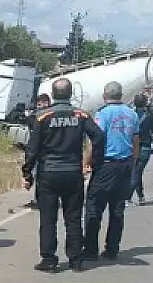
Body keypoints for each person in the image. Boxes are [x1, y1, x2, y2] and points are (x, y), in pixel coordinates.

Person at [21, 78, 106, 272]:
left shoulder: (42, 116)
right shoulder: (81, 115)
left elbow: (32, 149)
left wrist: (27, 173)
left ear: (53, 94)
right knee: (73, 217)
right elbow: (99, 136)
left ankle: (49, 259)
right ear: (70, 94)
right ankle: (76, 259)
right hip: (72, 173)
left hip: (48, 173)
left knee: (48, 219)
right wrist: (93, 161)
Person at [83, 82, 140, 261]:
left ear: (104, 95)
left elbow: (96, 141)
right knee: (117, 209)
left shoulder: (103, 114)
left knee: (94, 208)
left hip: (106, 165)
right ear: (121, 95)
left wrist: (86, 161)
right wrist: (134, 161)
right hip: (125, 164)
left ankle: (91, 250)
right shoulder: (132, 114)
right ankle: (112, 249)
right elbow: (136, 140)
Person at [23, 93, 52, 210]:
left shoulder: (42, 116)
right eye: (39, 104)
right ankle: (40, 199)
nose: (41, 106)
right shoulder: (37, 117)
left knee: (40, 176)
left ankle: (40, 200)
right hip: (41, 151)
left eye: (43, 104)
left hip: (42, 151)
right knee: (39, 175)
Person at [130, 93, 153, 206]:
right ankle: (134, 196)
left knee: (135, 172)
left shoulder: (130, 114)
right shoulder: (149, 115)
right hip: (144, 147)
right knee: (137, 172)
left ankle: (136, 196)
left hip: (132, 146)